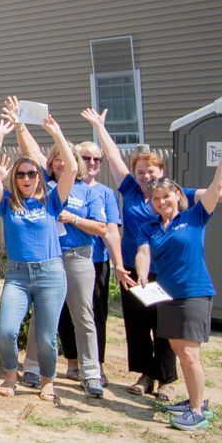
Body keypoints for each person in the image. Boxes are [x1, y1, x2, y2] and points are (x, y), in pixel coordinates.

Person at [134, 129, 222, 431]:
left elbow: (217, 185)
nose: (161, 202)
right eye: (156, 199)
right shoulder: (151, 226)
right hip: (166, 295)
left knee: (189, 353)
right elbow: (143, 252)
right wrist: (143, 272)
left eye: (166, 197)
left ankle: (197, 410)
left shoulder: (195, 217)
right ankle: (193, 399)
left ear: (178, 196)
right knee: (176, 347)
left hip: (194, 293)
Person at [84, 107, 179, 399]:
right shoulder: (132, 191)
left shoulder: (172, 194)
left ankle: (165, 380)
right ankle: (145, 374)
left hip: (164, 271)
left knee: (164, 324)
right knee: (137, 324)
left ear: (161, 172)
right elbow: (113, 158)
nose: (146, 175)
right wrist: (100, 128)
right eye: (140, 172)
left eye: (151, 171)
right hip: (131, 269)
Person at [0, 111, 77, 402]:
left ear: (39, 177)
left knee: (46, 337)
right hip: (17, 275)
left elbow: (72, 169)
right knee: (5, 330)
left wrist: (56, 134)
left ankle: (48, 380)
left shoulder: (52, 200)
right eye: (21, 174)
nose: (26, 178)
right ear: (15, 177)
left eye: (32, 173)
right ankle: (11, 374)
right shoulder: (8, 203)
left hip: (50, 274)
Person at [56, 140, 122, 388]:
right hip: (62, 258)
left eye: (97, 159)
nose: (91, 163)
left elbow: (110, 230)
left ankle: (96, 366)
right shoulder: (63, 186)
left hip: (95, 261)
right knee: (64, 314)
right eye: (86, 158)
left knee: (93, 316)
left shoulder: (105, 193)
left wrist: (119, 264)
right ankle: (72, 362)